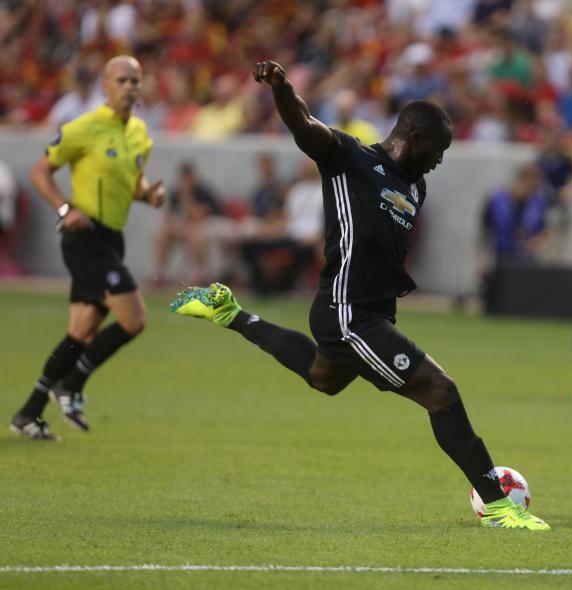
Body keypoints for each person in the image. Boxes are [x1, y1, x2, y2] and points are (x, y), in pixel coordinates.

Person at [169, 60, 550, 530]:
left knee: (322, 377)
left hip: (368, 313)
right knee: (440, 390)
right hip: (348, 313)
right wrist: (283, 89)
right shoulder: (348, 158)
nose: (440, 159)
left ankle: (230, 313)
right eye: (439, 148)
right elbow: (304, 124)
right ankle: (497, 507)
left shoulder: (416, 185)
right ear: (413, 136)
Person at [10, 55, 166, 440]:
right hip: (85, 238)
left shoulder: (140, 134)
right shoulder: (84, 128)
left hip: (112, 237)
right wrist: (65, 207)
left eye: (136, 80)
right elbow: (40, 171)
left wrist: (150, 194)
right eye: (122, 80)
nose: (130, 87)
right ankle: (73, 384)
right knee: (135, 319)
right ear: (106, 84)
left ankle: (29, 413)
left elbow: (134, 184)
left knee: (80, 332)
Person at [240, 158, 324, 296]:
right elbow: (287, 218)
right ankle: (263, 286)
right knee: (251, 244)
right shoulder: (296, 190)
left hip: (311, 236)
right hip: (291, 232)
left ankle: (285, 286)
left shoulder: (324, 189)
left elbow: (325, 220)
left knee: (300, 251)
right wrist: (267, 231)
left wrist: (318, 236)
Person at [152, 161, 223, 284]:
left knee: (195, 234)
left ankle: (199, 273)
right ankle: (160, 272)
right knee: (163, 234)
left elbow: (199, 216)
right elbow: (169, 215)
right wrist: (175, 225)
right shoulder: (176, 192)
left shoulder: (202, 191)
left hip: (207, 224)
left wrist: (186, 198)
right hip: (185, 226)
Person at [483, 163, 550, 262]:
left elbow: (543, 230)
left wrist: (537, 243)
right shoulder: (498, 200)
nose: (530, 191)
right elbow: (484, 230)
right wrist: (482, 258)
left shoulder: (537, 202)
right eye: (528, 186)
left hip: (527, 259)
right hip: (501, 257)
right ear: (520, 181)